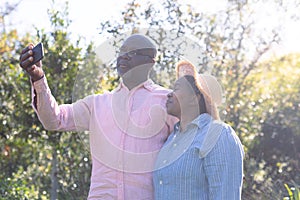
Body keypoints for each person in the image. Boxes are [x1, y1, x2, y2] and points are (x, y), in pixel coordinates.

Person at [19, 34, 178, 199]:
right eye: (122, 51)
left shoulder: (168, 101)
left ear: (150, 62)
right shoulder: (97, 104)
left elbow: (188, 148)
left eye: (132, 52)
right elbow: (54, 119)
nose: (124, 56)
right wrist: (38, 78)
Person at [153, 60, 244, 200]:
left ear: (194, 98)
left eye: (176, 89)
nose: (169, 94)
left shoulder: (218, 135)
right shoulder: (172, 138)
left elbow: (226, 194)